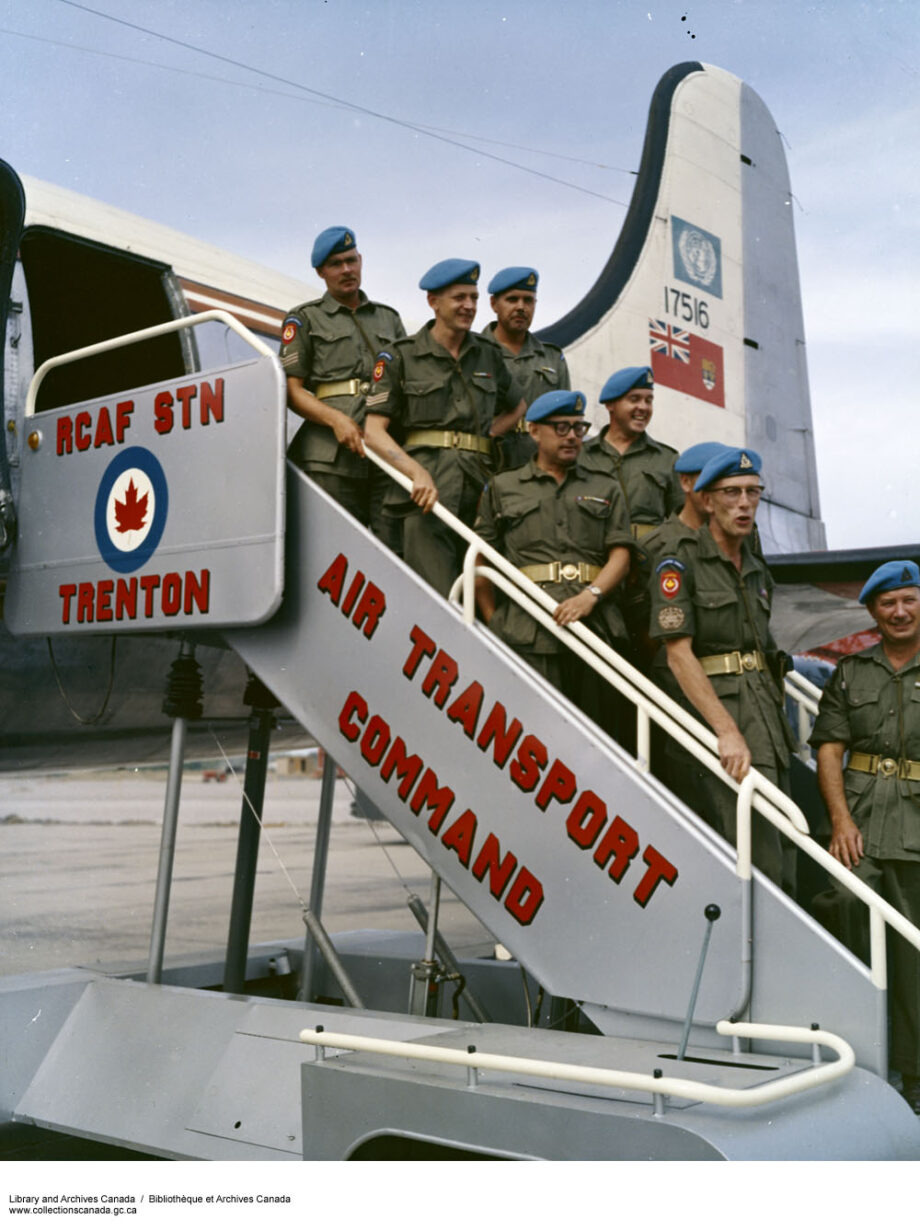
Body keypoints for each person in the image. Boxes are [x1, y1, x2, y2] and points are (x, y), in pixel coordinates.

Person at [647, 446, 796, 887]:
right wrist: (725, 730)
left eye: (753, 492)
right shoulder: (679, 560)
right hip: (721, 716)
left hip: (765, 715)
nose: (745, 503)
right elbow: (678, 654)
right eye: (732, 493)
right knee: (755, 852)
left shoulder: (754, 566)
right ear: (707, 501)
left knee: (780, 841)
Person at [810, 560, 920, 1114]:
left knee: (915, 956)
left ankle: (916, 1081)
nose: (899, 612)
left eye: (909, 600)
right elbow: (828, 747)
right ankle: (860, 1068)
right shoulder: (852, 672)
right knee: (848, 930)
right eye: (888, 603)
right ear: (873, 611)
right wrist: (840, 821)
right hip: (862, 826)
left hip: (917, 831)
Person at [364, 259, 525, 597]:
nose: (469, 306)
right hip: (428, 490)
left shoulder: (488, 355)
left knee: (479, 592)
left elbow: (518, 405)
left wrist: (488, 435)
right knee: (435, 592)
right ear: (433, 302)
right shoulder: (401, 356)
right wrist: (415, 472)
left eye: (473, 298)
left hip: (480, 485)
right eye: (459, 298)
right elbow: (374, 431)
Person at [474, 389, 632, 730]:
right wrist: (495, 621)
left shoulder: (606, 487)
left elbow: (621, 554)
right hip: (525, 630)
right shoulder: (503, 487)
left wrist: (591, 596)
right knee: (533, 732)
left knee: (598, 735)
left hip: (595, 627)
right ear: (533, 431)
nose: (573, 436)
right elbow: (480, 560)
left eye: (579, 428)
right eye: (561, 428)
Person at [279, 226, 406, 542]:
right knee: (332, 549)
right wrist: (337, 419)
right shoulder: (304, 318)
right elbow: (291, 391)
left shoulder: (388, 319)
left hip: (383, 453)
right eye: (336, 264)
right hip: (328, 458)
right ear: (321, 271)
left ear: (360, 260)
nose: (347, 270)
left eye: (351, 260)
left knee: (392, 551)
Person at [580, 366, 683, 658]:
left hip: (648, 580)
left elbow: (681, 522)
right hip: (598, 573)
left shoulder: (666, 459)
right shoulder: (582, 457)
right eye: (634, 399)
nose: (643, 408)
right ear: (611, 405)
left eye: (648, 400)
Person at [481, 266, 569, 470]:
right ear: (494, 304)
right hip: (487, 461)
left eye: (528, 300)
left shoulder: (552, 358)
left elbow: (565, 418)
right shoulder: (475, 352)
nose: (521, 307)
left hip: (538, 463)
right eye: (512, 300)